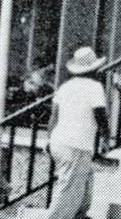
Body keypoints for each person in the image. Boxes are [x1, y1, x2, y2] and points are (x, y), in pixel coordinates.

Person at [45, 46, 109, 219]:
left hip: (60, 142)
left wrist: (49, 139)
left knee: (85, 181)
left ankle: (80, 215)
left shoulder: (65, 87)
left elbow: (54, 117)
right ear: (93, 69)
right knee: (69, 191)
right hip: (76, 144)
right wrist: (106, 137)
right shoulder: (95, 87)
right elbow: (100, 114)